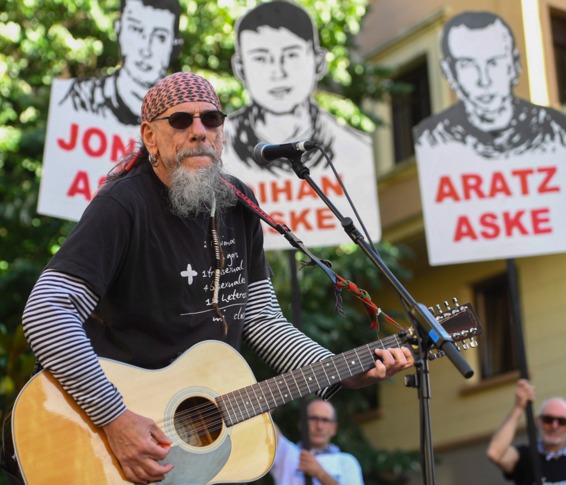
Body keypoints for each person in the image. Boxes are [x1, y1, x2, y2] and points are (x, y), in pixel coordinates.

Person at [22, 71, 414, 484]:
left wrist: (337, 369)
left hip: (191, 447)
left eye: (211, 119)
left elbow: (261, 319)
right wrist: (115, 418)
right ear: (150, 136)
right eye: (180, 121)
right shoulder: (123, 204)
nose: (198, 131)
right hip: (112, 437)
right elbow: (47, 311)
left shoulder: (238, 203)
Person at [225, 0, 368, 172]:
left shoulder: (355, 149)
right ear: (240, 68)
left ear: (318, 61)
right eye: (261, 58)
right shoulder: (217, 152)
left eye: (291, 55)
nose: (278, 72)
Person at [415, 11, 566, 159]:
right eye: (468, 65)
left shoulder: (556, 131)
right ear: (449, 72)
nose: (484, 80)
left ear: (514, 65)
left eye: (494, 63)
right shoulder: (432, 140)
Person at [59, 0, 183, 125]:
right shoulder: (79, 99)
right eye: (136, 29)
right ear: (118, 29)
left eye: (160, 37)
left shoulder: (183, 117)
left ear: (175, 45)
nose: (146, 49)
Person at [486, 378, 566, 484]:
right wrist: (519, 407)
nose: (554, 426)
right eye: (548, 420)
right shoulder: (525, 456)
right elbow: (494, 453)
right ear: (538, 421)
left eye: (562, 421)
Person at [270, 399, 364, 485]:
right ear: (301, 424)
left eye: (325, 420)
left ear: (334, 428)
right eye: (313, 419)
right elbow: (264, 420)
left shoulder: (346, 462)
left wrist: (320, 473)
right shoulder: (286, 454)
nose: (319, 426)